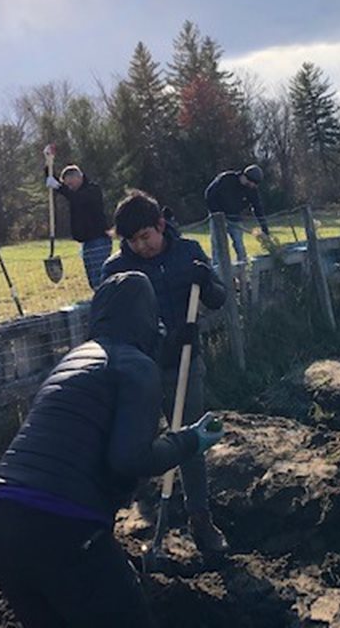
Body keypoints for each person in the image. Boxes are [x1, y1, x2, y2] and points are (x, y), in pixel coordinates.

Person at [0, 271, 224, 628]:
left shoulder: (75, 359)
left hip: (0, 520)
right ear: (147, 317)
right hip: (62, 524)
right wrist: (190, 440)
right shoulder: (137, 368)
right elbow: (129, 458)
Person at [102, 191, 230, 553]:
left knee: (190, 441)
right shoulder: (115, 270)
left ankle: (200, 519)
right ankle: (110, 522)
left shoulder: (188, 252)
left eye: (145, 236)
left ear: (160, 225)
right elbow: (112, 328)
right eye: (132, 240)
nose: (140, 246)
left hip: (186, 365)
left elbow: (218, 298)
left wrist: (207, 281)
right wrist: (164, 344)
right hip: (137, 374)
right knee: (130, 446)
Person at [45, 156, 112, 289]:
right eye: (67, 185)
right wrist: (48, 162)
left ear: (79, 177)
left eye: (71, 184)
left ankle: (106, 298)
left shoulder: (92, 190)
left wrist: (59, 187)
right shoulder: (73, 193)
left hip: (99, 240)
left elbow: (78, 199)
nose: (69, 188)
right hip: (86, 243)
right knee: (93, 280)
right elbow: (57, 183)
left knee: (99, 278)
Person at [204, 164, 269, 263]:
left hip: (234, 218)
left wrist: (265, 229)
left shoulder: (251, 190)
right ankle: (217, 268)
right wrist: (216, 213)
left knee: (239, 245)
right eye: (253, 183)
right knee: (217, 245)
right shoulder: (226, 179)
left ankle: (243, 268)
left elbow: (257, 208)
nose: (253, 186)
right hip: (217, 218)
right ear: (246, 177)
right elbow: (209, 194)